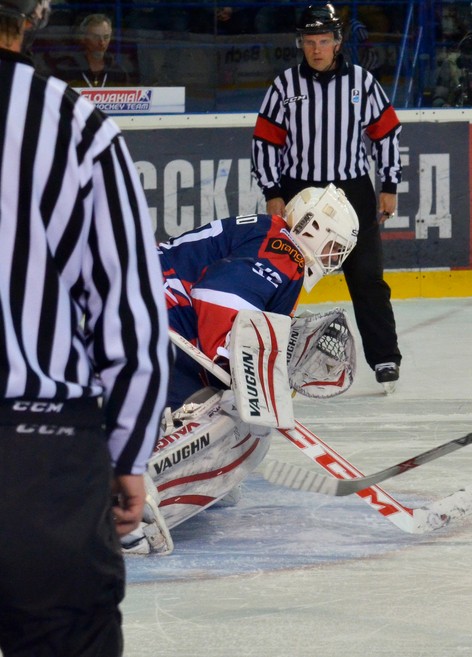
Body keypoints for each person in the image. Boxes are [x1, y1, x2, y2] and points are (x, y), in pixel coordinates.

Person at [0, 0, 169, 652]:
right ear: (33, 13)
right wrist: (128, 455)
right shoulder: (79, 128)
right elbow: (130, 317)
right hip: (42, 455)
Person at [120, 184, 360, 555]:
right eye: (333, 246)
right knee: (197, 403)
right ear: (313, 228)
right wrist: (228, 367)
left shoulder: (273, 237)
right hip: (154, 314)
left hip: (149, 302)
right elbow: (220, 296)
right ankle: (121, 504)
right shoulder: (286, 253)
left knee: (220, 402)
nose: (333, 258)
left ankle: (168, 475)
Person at [251, 3, 403, 394]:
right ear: (300, 43)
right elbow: (266, 141)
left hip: (352, 192)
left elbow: (385, 133)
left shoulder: (363, 84)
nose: (316, 49)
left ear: (337, 42)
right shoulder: (284, 86)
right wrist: (273, 191)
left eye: (323, 41)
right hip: (299, 192)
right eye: (309, 42)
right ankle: (271, 356)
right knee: (284, 277)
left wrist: (389, 186)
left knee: (368, 277)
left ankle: (385, 357)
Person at [56, 12, 133, 87]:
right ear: (83, 38)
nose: (102, 42)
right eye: (96, 37)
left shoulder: (118, 72)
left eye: (106, 37)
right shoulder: (68, 69)